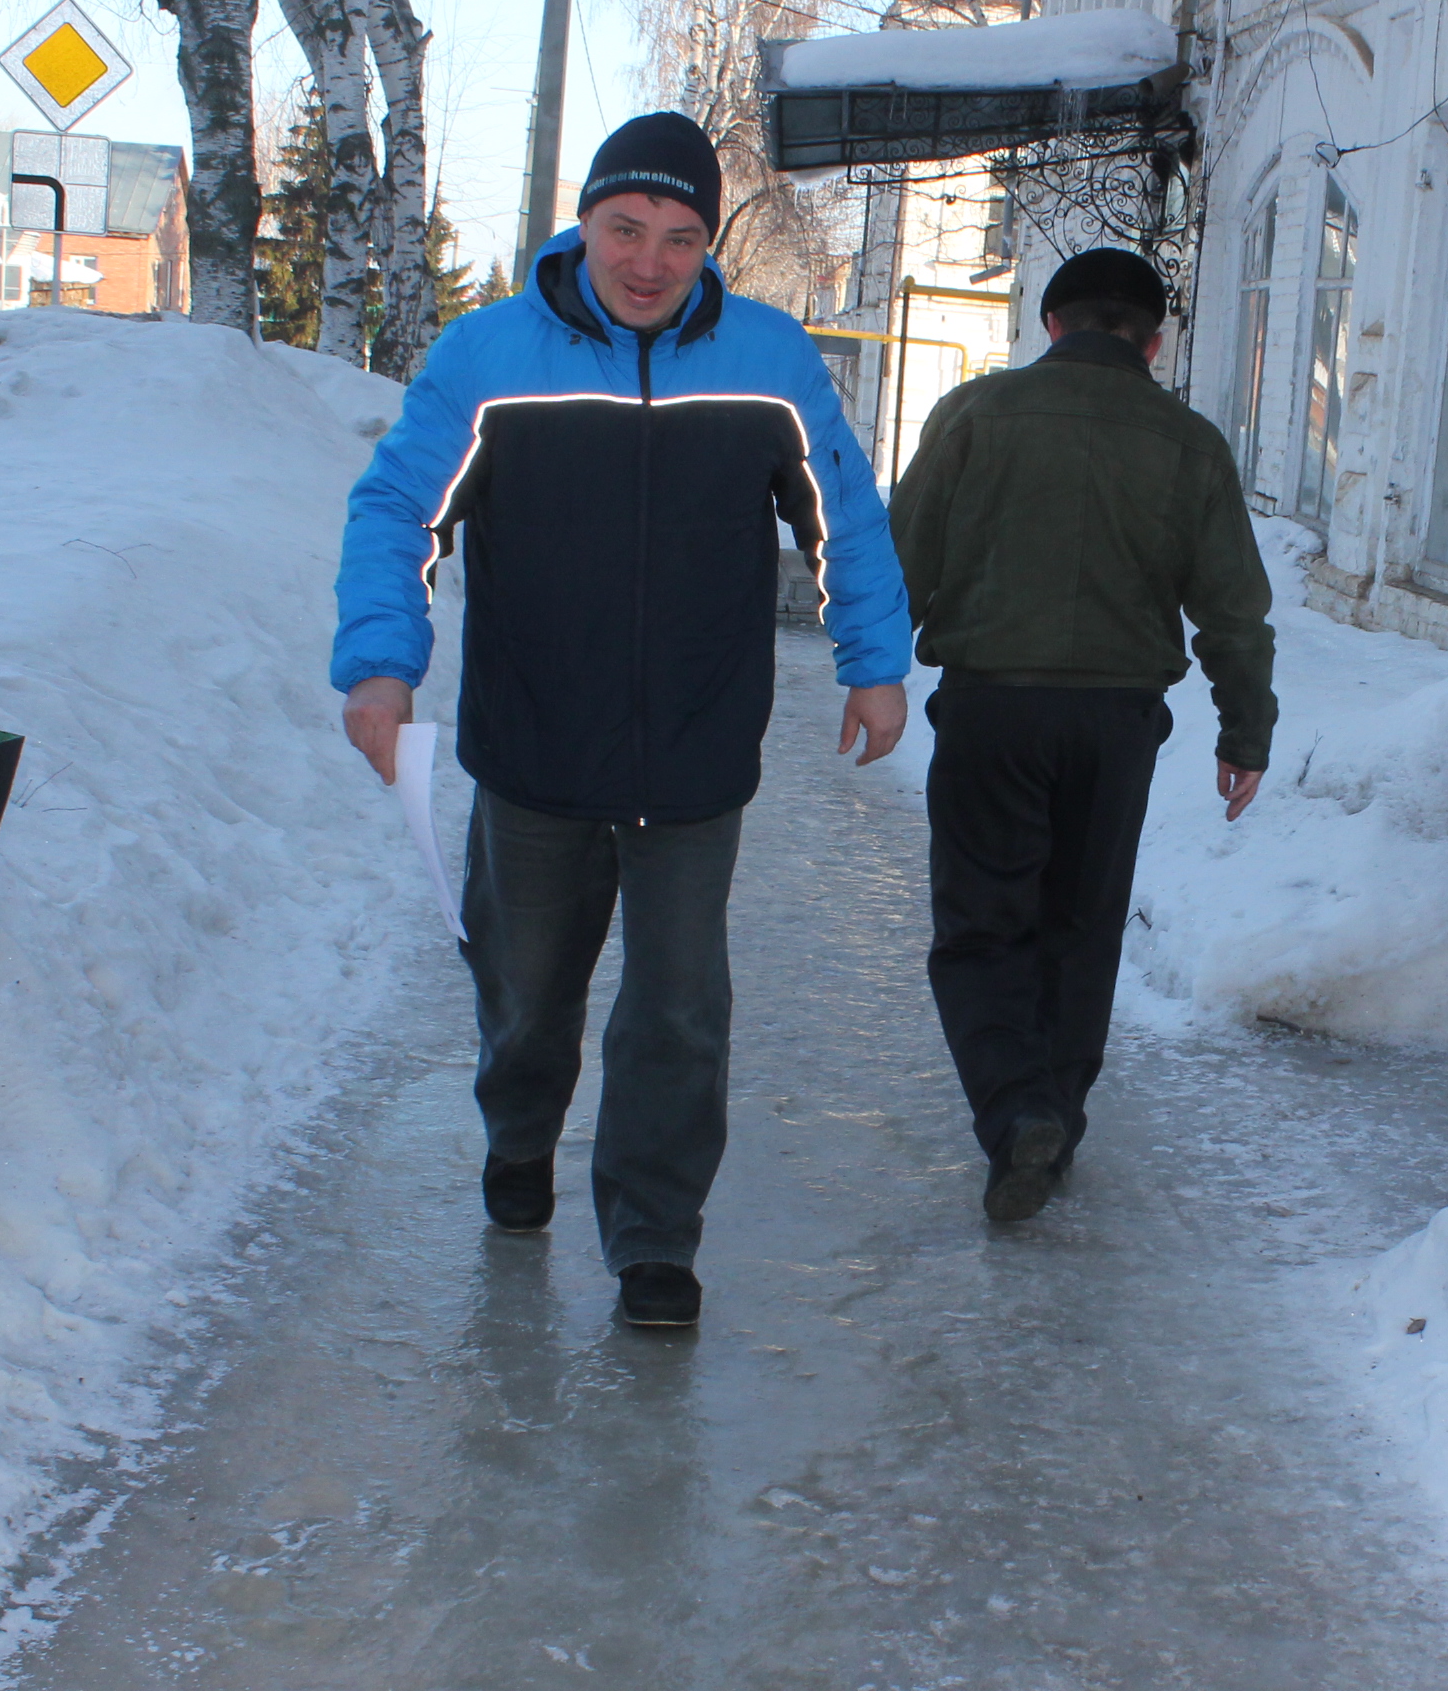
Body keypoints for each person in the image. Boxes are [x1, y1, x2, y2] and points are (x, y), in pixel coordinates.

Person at [331, 113, 911, 1329]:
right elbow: (398, 510)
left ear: (711, 243)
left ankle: (655, 1239)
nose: (648, 261)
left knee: (679, 1006)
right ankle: (519, 1136)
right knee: (527, 991)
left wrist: (875, 660)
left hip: (696, 754)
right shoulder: (491, 357)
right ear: (583, 222)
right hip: (533, 747)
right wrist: (383, 663)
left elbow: (843, 516)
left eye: (681, 236)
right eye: (625, 229)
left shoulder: (768, 360)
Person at [888, 248, 1277, 1223]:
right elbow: (1232, 607)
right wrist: (1247, 729)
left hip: (992, 709)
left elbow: (902, 562)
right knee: (1080, 927)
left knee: (982, 927)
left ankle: (1019, 1110)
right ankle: (1052, 1117)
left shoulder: (973, 415)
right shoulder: (1188, 443)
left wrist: (871, 674)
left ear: (1050, 325)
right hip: (1114, 722)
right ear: (1153, 342)